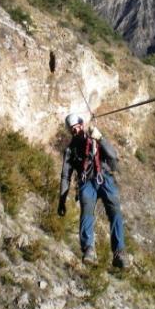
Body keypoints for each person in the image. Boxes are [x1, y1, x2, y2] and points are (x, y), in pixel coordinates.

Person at [57, 113, 127, 268]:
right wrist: (62, 200)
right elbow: (65, 176)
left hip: (104, 177)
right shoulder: (70, 150)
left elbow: (113, 157)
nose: (76, 132)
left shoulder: (95, 138)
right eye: (73, 130)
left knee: (115, 210)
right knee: (87, 210)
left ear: (82, 125)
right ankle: (89, 249)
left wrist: (101, 139)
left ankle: (119, 252)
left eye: (78, 127)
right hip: (86, 181)